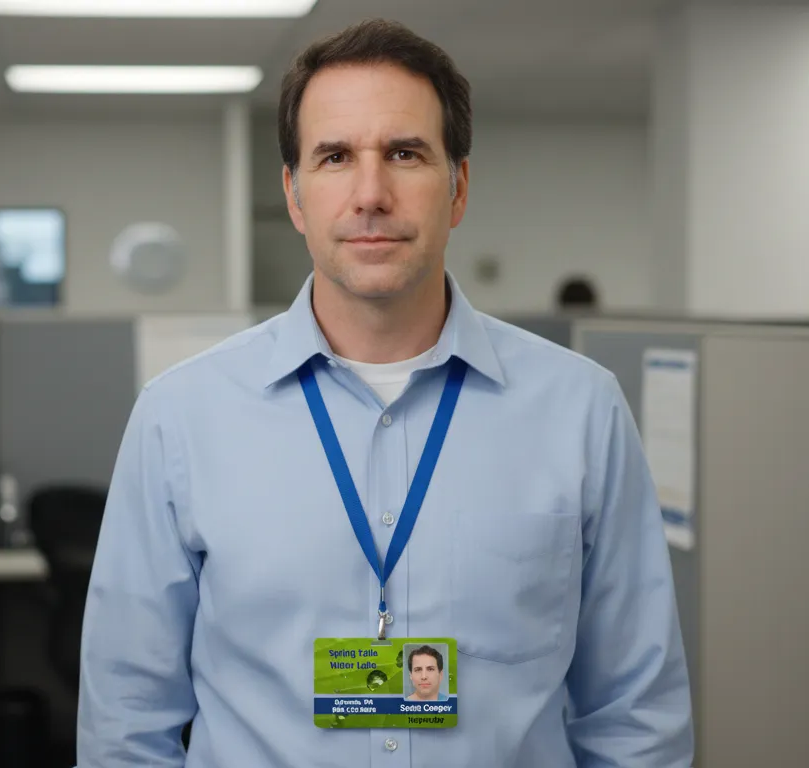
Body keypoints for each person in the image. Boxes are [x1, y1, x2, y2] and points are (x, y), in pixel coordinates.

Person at [76, 18, 692, 767]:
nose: (371, 194)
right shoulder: (180, 417)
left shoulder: (580, 411)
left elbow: (636, 715)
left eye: (405, 153)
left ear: (458, 188)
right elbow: (125, 723)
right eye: (335, 157)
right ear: (295, 195)